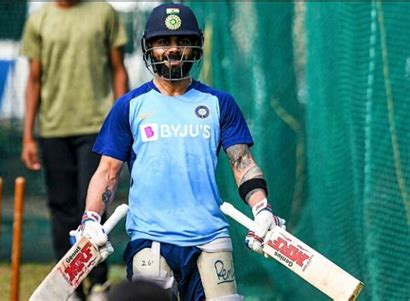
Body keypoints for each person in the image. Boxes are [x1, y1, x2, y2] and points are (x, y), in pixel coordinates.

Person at [70, 3, 285, 301]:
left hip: (210, 236)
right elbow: (107, 171)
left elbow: (242, 162)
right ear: (149, 47)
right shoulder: (129, 106)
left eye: (183, 41)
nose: (173, 50)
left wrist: (262, 210)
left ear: (196, 47)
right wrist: (90, 218)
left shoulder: (219, 103)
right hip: (151, 237)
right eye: (163, 42)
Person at [19, 0, 128, 300]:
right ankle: (70, 286)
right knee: (61, 208)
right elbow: (33, 80)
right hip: (54, 129)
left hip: (97, 126)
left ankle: (98, 284)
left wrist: (123, 123)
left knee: (90, 205)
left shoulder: (103, 12)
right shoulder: (39, 20)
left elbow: (119, 70)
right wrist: (28, 136)